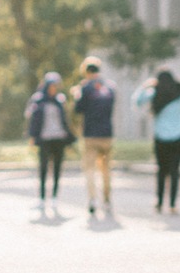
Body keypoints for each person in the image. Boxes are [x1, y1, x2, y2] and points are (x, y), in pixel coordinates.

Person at [133, 68, 180, 214]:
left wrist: (145, 86)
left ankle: (159, 202)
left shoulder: (154, 94)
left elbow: (137, 101)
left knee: (161, 171)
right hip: (178, 137)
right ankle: (173, 204)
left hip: (161, 138)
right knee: (175, 171)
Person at [71, 55, 117, 215]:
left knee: (90, 169)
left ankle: (92, 198)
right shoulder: (110, 87)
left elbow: (78, 110)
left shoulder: (85, 88)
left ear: (86, 71)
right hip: (107, 133)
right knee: (106, 169)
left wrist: (77, 94)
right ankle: (107, 199)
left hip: (90, 134)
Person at [25, 72, 72, 209]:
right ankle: (42, 198)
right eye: (51, 85)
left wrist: (69, 137)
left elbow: (65, 120)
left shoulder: (60, 100)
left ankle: (55, 198)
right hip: (44, 139)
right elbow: (31, 119)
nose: (53, 88)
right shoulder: (38, 100)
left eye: (55, 86)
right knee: (43, 169)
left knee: (57, 169)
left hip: (59, 139)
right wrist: (32, 136)